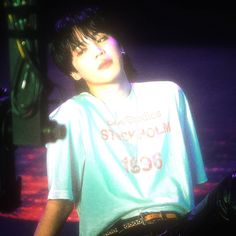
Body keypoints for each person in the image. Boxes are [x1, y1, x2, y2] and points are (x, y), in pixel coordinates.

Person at [34, 5, 236, 236]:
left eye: (101, 39)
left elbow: (186, 184)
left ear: (120, 45)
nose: (98, 51)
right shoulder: (70, 115)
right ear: (74, 72)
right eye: (81, 50)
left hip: (180, 226)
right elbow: (59, 202)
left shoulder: (169, 95)